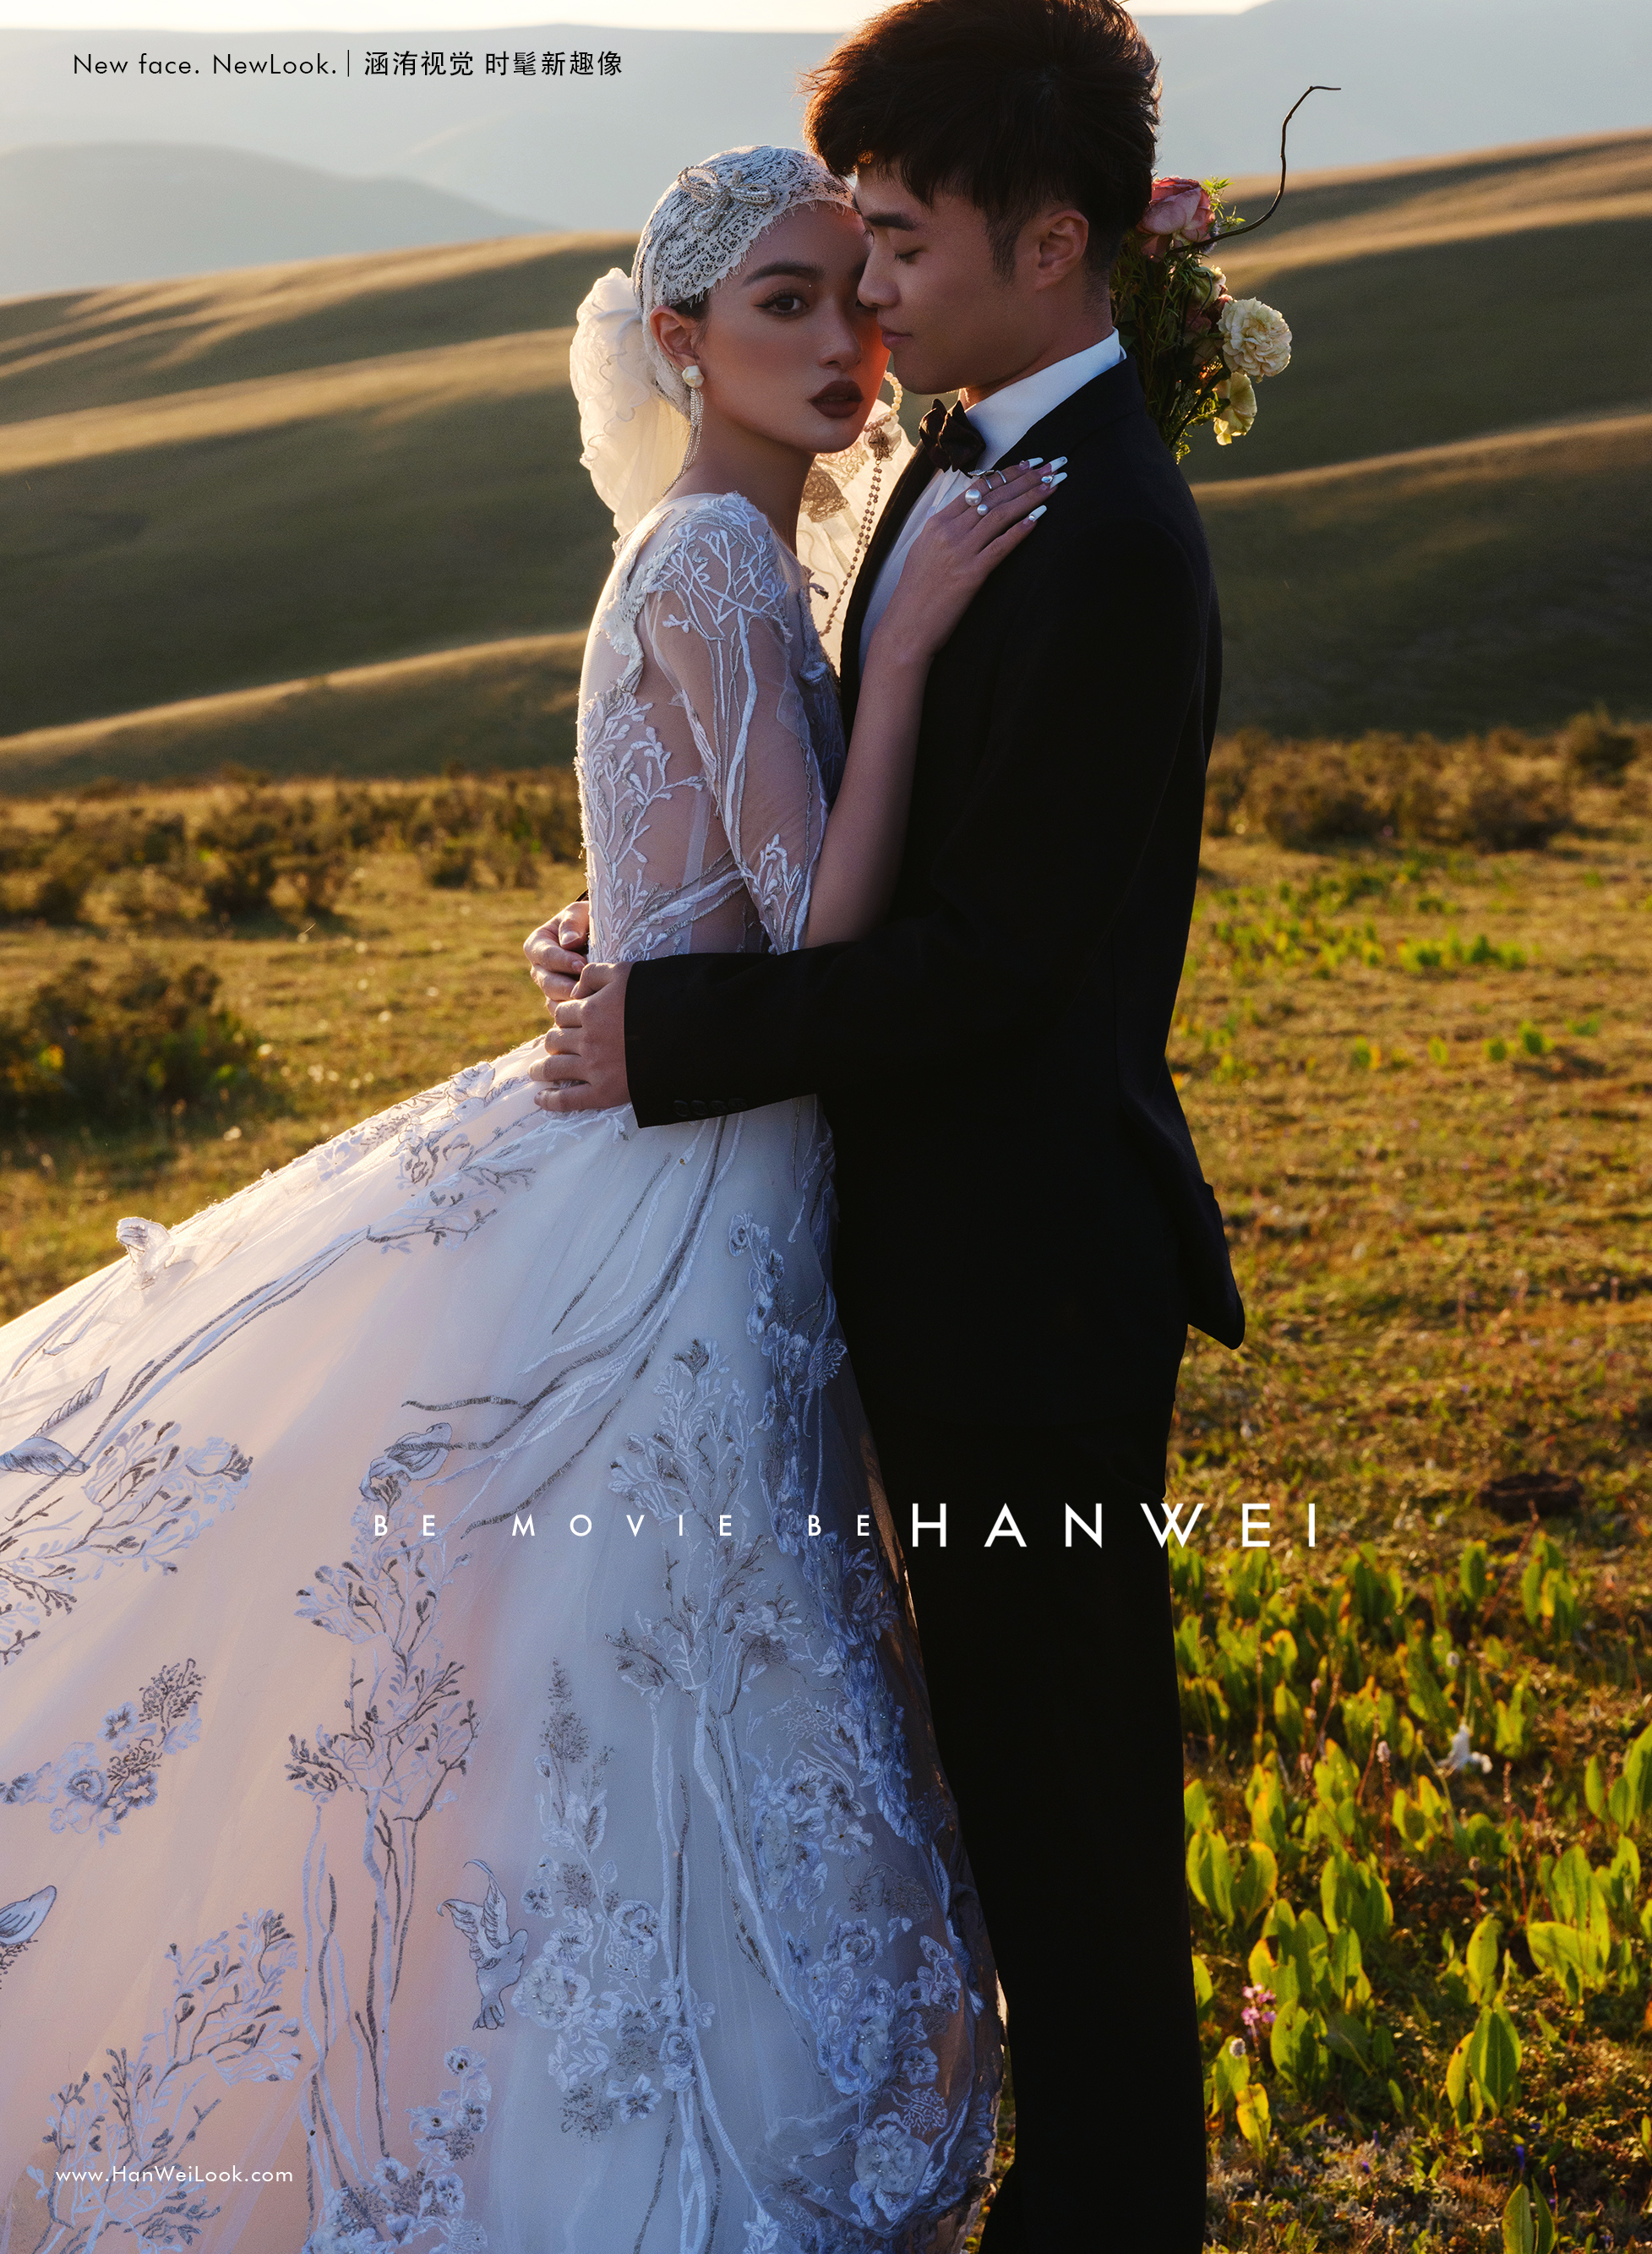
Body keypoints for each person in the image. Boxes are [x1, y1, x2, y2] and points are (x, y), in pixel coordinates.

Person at [0, 145, 1052, 2254]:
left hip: (686, 1136)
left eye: (854, 295)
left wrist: (610, 937)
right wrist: (917, 658)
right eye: (780, 302)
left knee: (590, 1663)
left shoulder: (707, 541)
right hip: (690, 1185)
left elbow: (682, 880)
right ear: (678, 339)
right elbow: (811, 930)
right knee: (637, 1660)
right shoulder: (724, 556)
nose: (844, 342)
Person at [525, 5, 1246, 2248]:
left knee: (1068, 1794)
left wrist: (672, 1029)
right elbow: (841, 817)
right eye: (849, 259)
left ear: (1053, 246)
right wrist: (655, 924)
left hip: (1030, 1280)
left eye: (903, 251)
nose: (874, 302)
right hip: (916, 1251)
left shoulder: (1107, 532)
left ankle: (1114, 2209)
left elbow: (989, 962)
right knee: (986, 1764)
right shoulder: (963, 452)